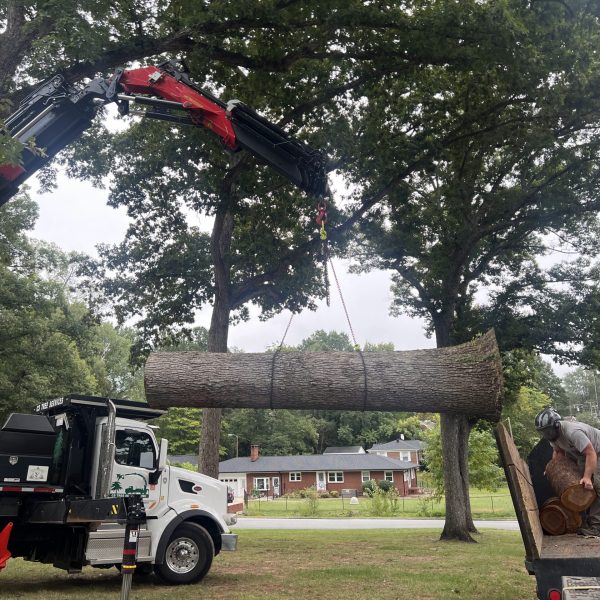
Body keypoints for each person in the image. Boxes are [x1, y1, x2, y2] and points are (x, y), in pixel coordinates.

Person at [535, 407, 600, 536]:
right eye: (543, 432)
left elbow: (591, 453)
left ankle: (597, 526)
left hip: (596, 452)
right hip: (582, 455)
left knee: (597, 485)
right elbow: (558, 452)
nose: (546, 435)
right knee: (583, 488)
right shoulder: (553, 437)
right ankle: (589, 521)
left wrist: (587, 477)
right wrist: (554, 467)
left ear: (557, 425)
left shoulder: (573, 432)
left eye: (548, 431)